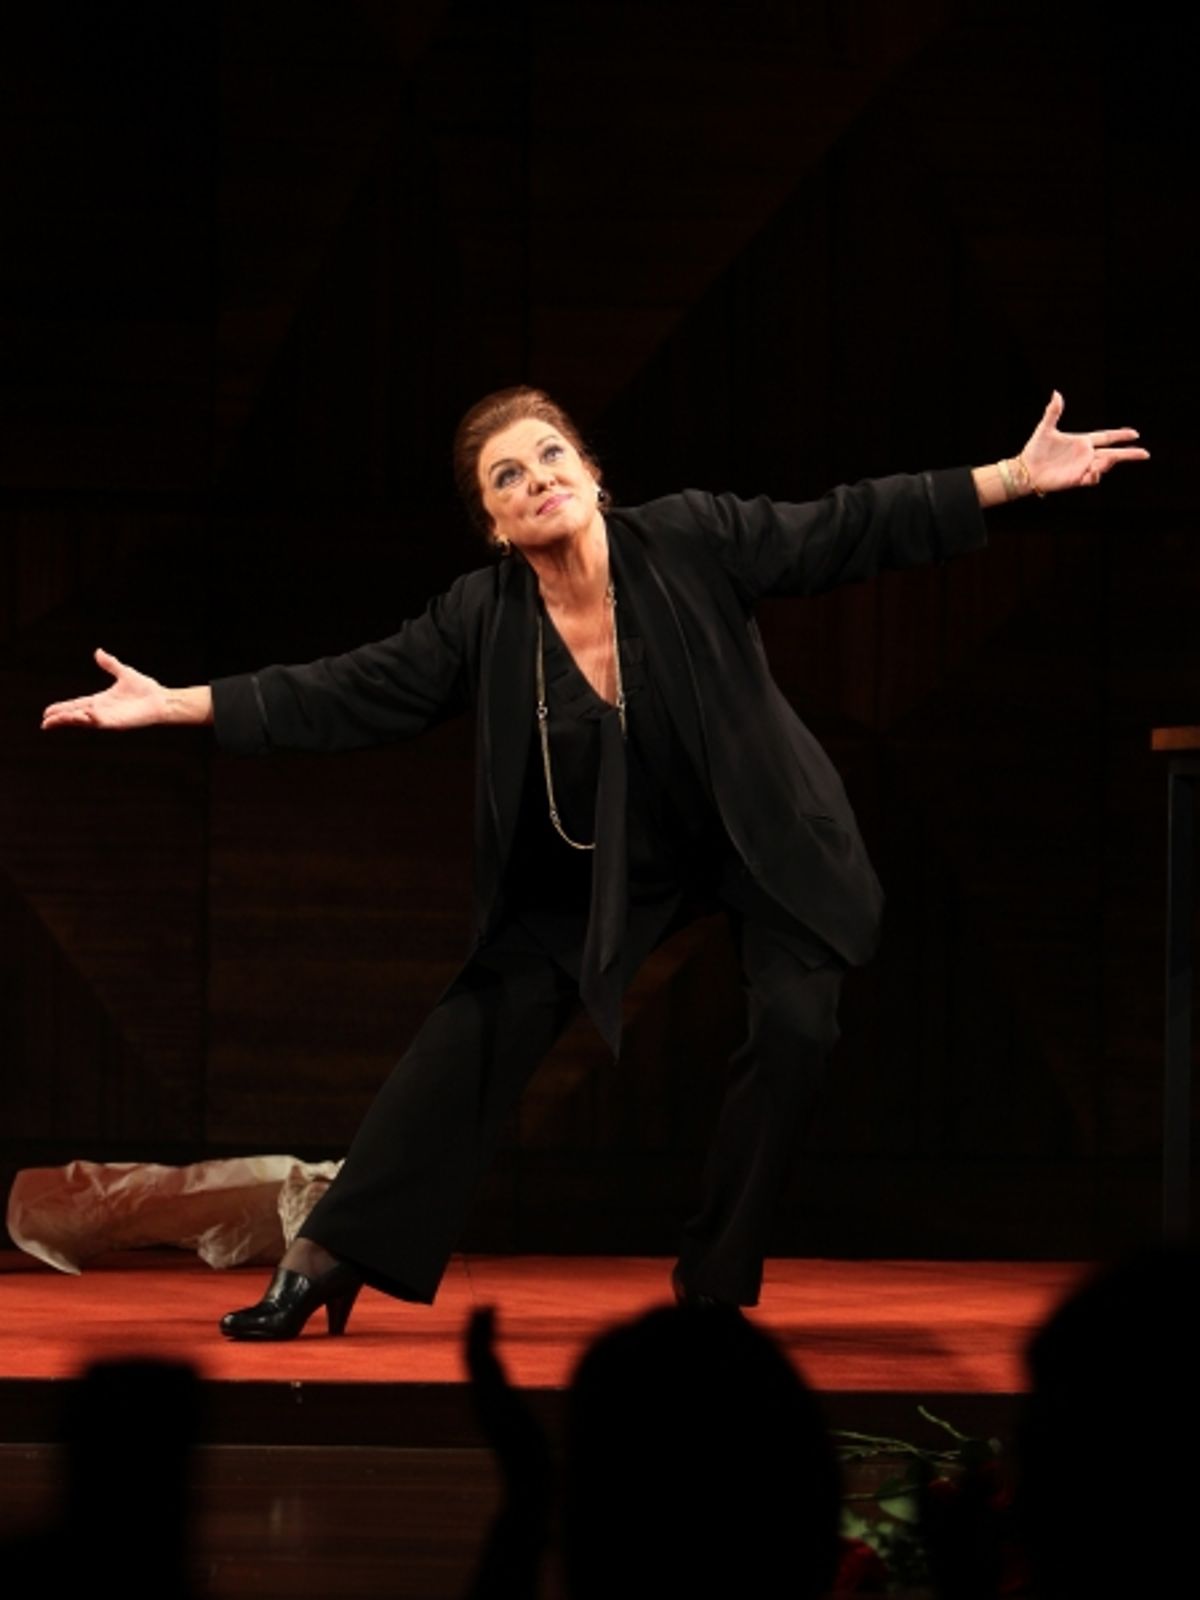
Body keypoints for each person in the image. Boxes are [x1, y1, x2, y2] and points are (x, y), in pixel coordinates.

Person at [41, 387, 1147, 1337]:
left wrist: (1012, 475)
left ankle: (712, 1292)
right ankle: (327, 1259)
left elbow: (846, 525)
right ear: (493, 523)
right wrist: (177, 703)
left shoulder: (693, 536)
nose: (535, 481)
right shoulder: (482, 617)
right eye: (506, 477)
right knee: (481, 1015)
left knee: (798, 1029)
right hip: (608, 853)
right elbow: (347, 687)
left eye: (550, 456)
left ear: (593, 473)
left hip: (764, 830)